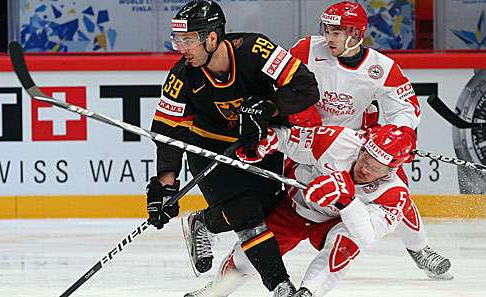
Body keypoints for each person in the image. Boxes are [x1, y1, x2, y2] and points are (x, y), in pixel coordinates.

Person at [145, 1, 320, 296]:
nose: (181, 49)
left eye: (188, 41)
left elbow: (306, 88)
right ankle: (281, 286)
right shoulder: (181, 76)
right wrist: (164, 185)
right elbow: (167, 131)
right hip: (207, 146)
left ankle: (203, 222)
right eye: (178, 40)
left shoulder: (257, 50)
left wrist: (270, 108)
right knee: (246, 214)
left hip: (257, 144)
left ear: (212, 38)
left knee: (263, 209)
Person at [287, 1, 451, 280]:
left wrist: (400, 135)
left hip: (355, 147)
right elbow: (276, 80)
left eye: (336, 32)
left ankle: (420, 249)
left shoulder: (381, 67)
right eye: (327, 30)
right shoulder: (306, 49)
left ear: (355, 34)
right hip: (308, 144)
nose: (328, 38)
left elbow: (405, 108)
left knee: (396, 193)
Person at [185, 124, 415, 297]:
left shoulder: (395, 194)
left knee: (347, 245)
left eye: (375, 167)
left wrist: (347, 201)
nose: (364, 167)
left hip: (331, 223)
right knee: (248, 260)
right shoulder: (338, 141)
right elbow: (290, 139)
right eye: (365, 156)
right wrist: (270, 141)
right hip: (291, 209)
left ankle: (307, 293)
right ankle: (215, 291)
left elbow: (366, 236)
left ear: (391, 169)